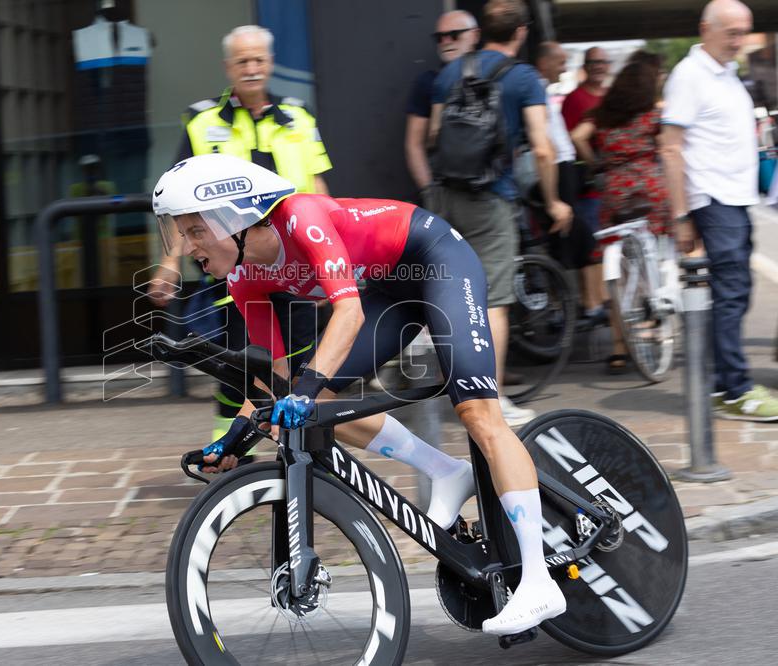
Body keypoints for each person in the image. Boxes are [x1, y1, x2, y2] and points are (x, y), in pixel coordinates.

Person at [153, 152, 568, 635]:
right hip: (389, 290)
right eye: (180, 233)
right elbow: (274, 380)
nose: (186, 248)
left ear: (236, 216)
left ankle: (539, 581)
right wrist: (235, 436)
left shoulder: (302, 218)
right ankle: (447, 472)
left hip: (436, 262)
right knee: (310, 408)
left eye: (195, 231)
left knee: (477, 414)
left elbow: (347, 315)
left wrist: (304, 390)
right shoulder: (244, 278)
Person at [148, 25, 333, 440]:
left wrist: (331, 261)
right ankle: (231, 450)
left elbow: (319, 190)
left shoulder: (299, 118)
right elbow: (182, 208)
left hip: (297, 258)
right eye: (242, 61)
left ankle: (310, 453)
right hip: (234, 265)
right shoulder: (202, 122)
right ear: (228, 67)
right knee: (243, 359)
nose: (251, 69)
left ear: (269, 64)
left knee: (304, 361)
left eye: (259, 60)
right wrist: (169, 262)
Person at [429, 0, 573, 427]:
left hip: (444, 194)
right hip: (490, 197)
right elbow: (543, 147)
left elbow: (435, 135)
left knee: (447, 292)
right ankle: (490, 401)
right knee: (493, 299)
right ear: (521, 32)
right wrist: (553, 201)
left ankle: (447, 386)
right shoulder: (524, 78)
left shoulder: (450, 72)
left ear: (480, 31)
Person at [661, 0, 778, 420]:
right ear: (705, 28)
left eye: (744, 31)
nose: (739, 40)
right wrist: (681, 216)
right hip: (714, 200)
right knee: (730, 295)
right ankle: (735, 390)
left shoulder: (727, 74)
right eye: (731, 32)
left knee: (736, 293)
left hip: (735, 198)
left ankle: (720, 384)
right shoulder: (690, 75)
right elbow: (671, 148)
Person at [571, 57, 673, 374]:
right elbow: (670, 145)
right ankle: (657, 311)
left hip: (614, 193)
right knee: (657, 257)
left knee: (623, 274)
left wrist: (596, 163)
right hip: (649, 191)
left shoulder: (603, 114)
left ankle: (617, 350)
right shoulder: (653, 114)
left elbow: (576, 136)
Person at [404, 10, 480, 211]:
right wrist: (430, 193)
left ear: (475, 35)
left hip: (488, 196)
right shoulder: (428, 82)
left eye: (454, 34)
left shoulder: (493, 77)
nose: (446, 41)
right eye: (439, 37)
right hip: (445, 192)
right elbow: (414, 144)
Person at [532, 41, 596, 273]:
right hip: (556, 167)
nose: (564, 68)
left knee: (569, 234)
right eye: (560, 63)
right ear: (543, 63)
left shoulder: (541, 91)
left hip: (562, 166)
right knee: (569, 236)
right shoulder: (535, 91)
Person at [562, 47, 610, 328]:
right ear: (585, 66)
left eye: (603, 62)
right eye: (594, 63)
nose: (599, 67)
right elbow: (570, 142)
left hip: (606, 187)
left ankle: (602, 301)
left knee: (603, 245)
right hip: (586, 186)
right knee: (591, 245)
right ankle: (593, 303)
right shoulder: (574, 99)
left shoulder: (607, 97)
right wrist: (594, 164)